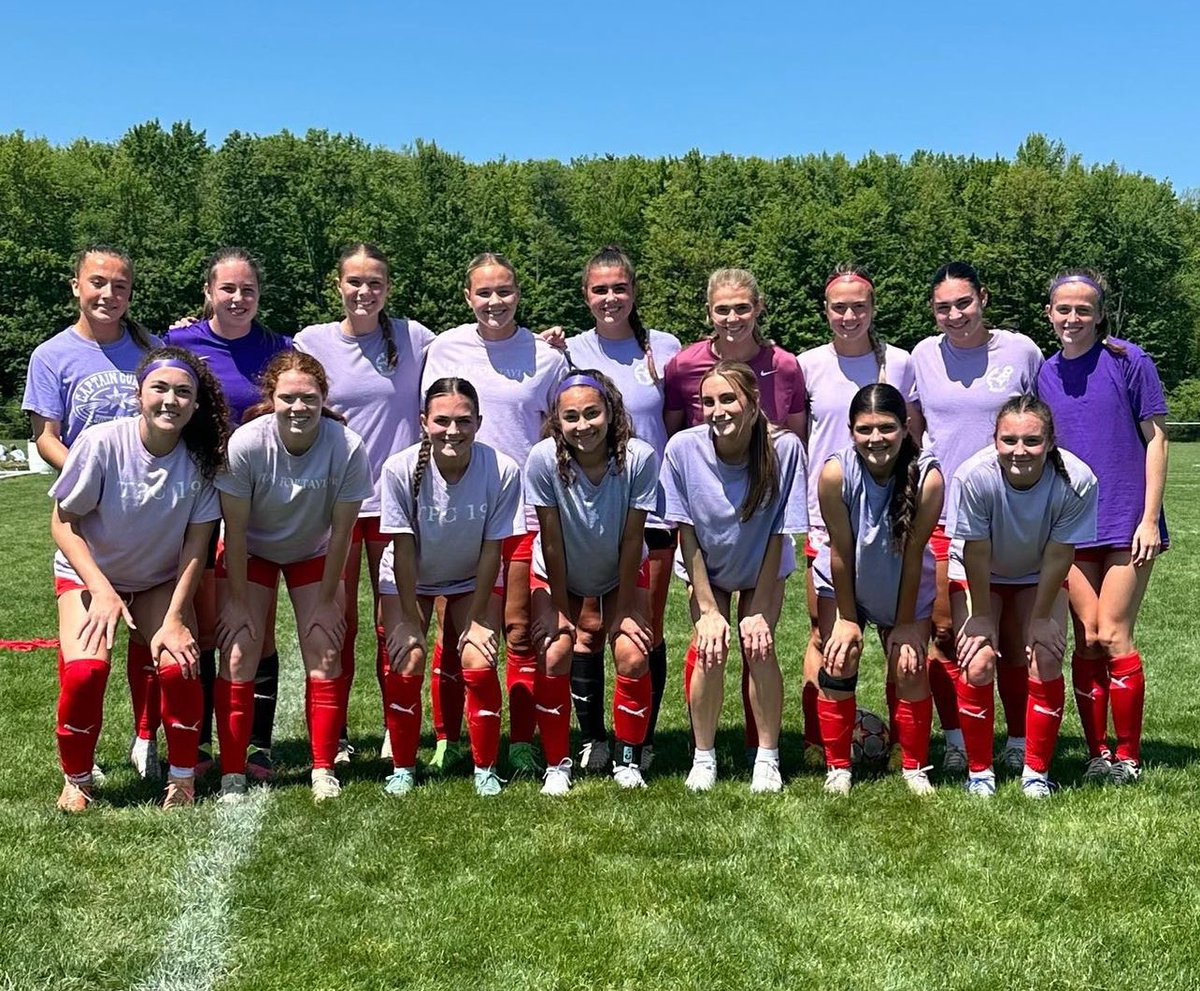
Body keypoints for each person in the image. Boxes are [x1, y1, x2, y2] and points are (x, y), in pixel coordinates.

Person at [49, 346, 228, 811]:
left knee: (179, 664)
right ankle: (78, 779)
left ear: (195, 404)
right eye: (160, 388)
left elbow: (196, 548)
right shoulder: (101, 443)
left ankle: (183, 779)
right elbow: (62, 523)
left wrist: (173, 617)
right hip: (90, 577)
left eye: (183, 393)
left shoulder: (202, 462)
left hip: (157, 582)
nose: (171, 400)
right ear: (138, 395)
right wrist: (102, 591)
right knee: (87, 671)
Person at [420, 254, 569, 777]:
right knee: (456, 622)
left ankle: (522, 739)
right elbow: (434, 421)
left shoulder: (547, 357)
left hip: (526, 508)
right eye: (484, 293)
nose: (494, 302)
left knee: (519, 628)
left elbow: (563, 428)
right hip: (459, 506)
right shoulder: (443, 348)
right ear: (468, 297)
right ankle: (447, 736)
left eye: (504, 291)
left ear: (518, 294)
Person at [23, 245, 163, 782]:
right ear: (76, 286)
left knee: (149, 641)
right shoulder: (51, 355)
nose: (109, 294)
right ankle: (82, 759)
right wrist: (97, 478)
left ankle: (146, 738)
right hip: (86, 514)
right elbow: (46, 439)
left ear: (131, 294)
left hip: (150, 515)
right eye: (98, 283)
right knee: (87, 652)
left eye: (121, 286)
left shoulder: (151, 350)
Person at [294, 243, 436, 766]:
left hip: (398, 505)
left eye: (375, 282)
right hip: (332, 506)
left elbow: (474, 360)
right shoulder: (312, 341)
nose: (364, 291)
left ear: (388, 289)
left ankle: (394, 727)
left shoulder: (415, 337)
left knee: (393, 619)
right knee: (336, 621)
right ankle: (337, 734)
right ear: (339, 286)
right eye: (354, 282)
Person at [213, 352, 374, 803]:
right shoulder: (246, 443)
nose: (298, 407)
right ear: (272, 398)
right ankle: (232, 772)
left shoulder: (346, 446)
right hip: (253, 553)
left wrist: (327, 600)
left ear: (323, 398)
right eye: (288, 398)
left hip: (314, 553)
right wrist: (239, 602)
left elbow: (343, 533)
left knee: (324, 649)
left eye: (309, 397)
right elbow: (237, 531)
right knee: (240, 651)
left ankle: (322, 767)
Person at [663, 268, 806, 763]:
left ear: (753, 405)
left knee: (760, 646)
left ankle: (766, 757)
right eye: (710, 402)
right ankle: (703, 756)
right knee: (709, 647)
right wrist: (706, 608)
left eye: (730, 400)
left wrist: (762, 607)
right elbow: (686, 531)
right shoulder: (683, 448)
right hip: (708, 561)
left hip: (762, 558)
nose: (718, 410)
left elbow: (778, 535)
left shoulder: (784, 448)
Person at [909, 262, 1043, 776]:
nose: (954, 314)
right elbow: (917, 426)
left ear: (983, 298)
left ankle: (1016, 738)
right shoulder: (924, 355)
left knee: (1012, 634)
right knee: (946, 631)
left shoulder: (1021, 350)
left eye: (963, 303)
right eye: (943, 307)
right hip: (946, 514)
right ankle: (958, 737)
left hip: (1013, 512)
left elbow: (1044, 422)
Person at [164, 247, 292, 781]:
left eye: (248, 290)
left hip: (260, 500)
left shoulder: (281, 348)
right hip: (196, 496)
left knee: (254, 623)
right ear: (208, 293)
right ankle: (196, 742)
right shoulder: (179, 343)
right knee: (203, 622)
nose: (238, 299)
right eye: (228, 289)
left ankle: (256, 745)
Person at [1037, 270, 1168, 785]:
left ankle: (1129, 756)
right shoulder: (1044, 373)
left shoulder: (1128, 361)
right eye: (1063, 309)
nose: (1073, 319)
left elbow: (1156, 439)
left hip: (1127, 521)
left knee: (1114, 634)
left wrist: (1150, 518)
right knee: (1086, 638)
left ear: (1099, 314)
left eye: (1083, 310)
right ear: (1049, 313)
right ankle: (1098, 754)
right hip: (1069, 526)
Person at [556, 246, 682, 775]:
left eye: (620, 288)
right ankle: (594, 739)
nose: (611, 298)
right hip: (587, 510)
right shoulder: (566, 352)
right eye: (599, 289)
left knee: (642, 625)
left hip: (651, 510)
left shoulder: (664, 347)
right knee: (588, 626)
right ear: (586, 296)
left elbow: (678, 426)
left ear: (634, 293)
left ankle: (642, 736)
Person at [375, 378, 524, 797]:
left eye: (463, 421)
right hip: (410, 579)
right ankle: (403, 767)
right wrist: (405, 619)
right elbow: (403, 550)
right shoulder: (399, 469)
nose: (453, 431)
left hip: (470, 577)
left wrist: (477, 620)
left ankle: (485, 769)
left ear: (479, 422)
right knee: (407, 660)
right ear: (424, 422)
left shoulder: (502, 469)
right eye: (442, 421)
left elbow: (493, 550)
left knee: (478, 660)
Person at [799, 267, 920, 770]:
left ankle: (903, 748)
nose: (849, 316)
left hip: (893, 513)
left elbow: (914, 430)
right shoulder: (807, 364)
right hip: (826, 514)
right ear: (826, 312)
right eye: (838, 307)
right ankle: (816, 741)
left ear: (873, 308)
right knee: (825, 635)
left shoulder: (901, 362)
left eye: (859, 306)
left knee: (904, 635)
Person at [948, 395, 1098, 799]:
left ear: (1050, 443)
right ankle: (980, 773)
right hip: (980, 570)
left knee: (1044, 653)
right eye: (1008, 440)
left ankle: (1035, 771)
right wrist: (980, 616)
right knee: (978, 660)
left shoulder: (1077, 479)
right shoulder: (973, 476)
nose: (1019, 451)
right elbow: (974, 550)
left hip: (1038, 571)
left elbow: (1060, 553)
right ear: (994, 440)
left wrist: (1042, 616)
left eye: (1031, 441)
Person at [525, 369, 659, 795]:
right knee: (556, 650)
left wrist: (620, 614)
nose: (583, 426)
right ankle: (558, 764)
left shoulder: (638, 457)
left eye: (592, 413)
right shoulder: (543, 459)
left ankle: (627, 759)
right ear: (557, 421)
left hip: (619, 567)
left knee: (633, 653)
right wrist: (563, 612)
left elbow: (633, 537)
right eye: (571, 417)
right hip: (558, 569)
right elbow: (551, 541)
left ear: (611, 412)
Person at [814, 384, 942, 796]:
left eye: (886, 428)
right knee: (839, 656)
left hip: (903, 579)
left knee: (909, 662)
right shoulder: (836, 473)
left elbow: (913, 554)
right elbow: (840, 551)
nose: (875, 439)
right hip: (845, 578)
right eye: (864, 429)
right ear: (851, 431)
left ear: (906, 428)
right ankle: (838, 766)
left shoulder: (928, 477)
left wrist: (905, 624)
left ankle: (914, 765)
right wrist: (848, 620)